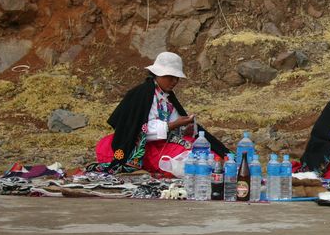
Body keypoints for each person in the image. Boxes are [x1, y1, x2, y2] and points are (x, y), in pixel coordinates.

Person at [91, 52, 229, 176]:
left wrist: (185, 127)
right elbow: (141, 129)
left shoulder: (166, 97)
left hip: (162, 142)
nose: (174, 81)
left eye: (177, 78)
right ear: (158, 74)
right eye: (171, 77)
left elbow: (174, 121)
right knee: (189, 160)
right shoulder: (143, 94)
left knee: (202, 149)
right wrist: (174, 125)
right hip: (141, 145)